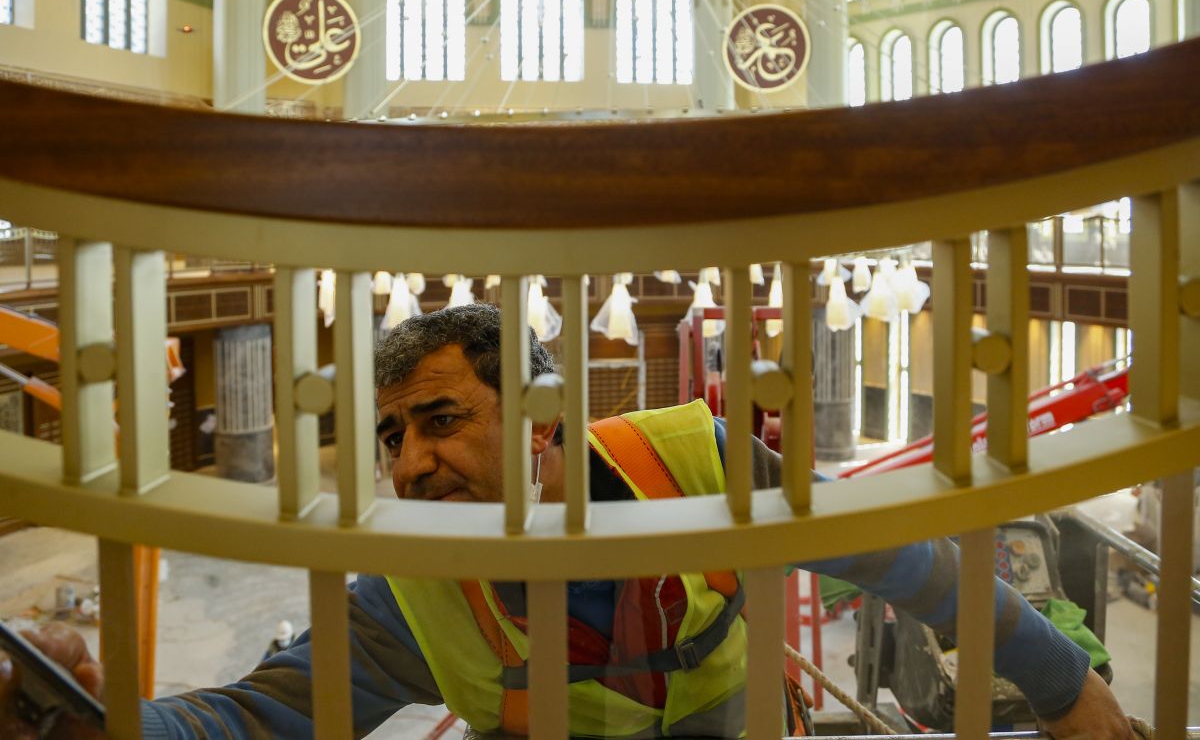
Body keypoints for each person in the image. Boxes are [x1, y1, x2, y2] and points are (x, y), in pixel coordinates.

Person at [2, 303, 1132, 739]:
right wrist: (96, 720)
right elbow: (262, 715)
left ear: (546, 419)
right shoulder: (411, 590)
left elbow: (919, 568)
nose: (408, 463)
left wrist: (1069, 690)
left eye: (438, 420)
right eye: (390, 437)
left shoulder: (706, 467)